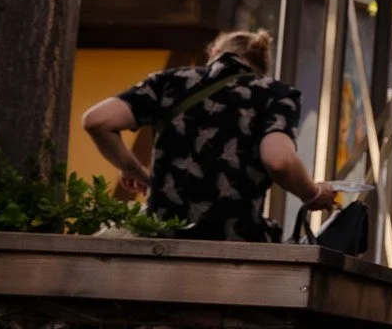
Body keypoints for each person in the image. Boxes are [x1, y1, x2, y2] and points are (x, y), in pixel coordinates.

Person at [80, 30, 333, 241]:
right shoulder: (275, 94)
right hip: (235, 247)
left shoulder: (170, 82)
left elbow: (96, 120)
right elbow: (279, 160)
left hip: (161, 241)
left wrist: (133, 169)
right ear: (261, 67)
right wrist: (312, 193)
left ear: (213, 53)